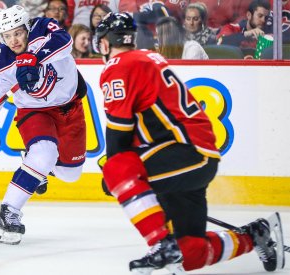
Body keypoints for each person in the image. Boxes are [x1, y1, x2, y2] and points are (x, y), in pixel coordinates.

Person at [93, 12, 282, 274]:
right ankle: (256, 236)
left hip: (185, 152)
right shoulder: (147, 58)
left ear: (104, 43)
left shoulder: (119, 66)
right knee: (190, 253)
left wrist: (118, 178)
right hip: (190, 159)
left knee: (116, 167)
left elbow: (118, 135)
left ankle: (161, 244)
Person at [0, 5, 87, 245]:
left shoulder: (44, 28)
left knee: (71, 175)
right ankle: (9, 212)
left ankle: (38, 166)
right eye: (7, 36)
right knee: (44, 152)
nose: (13, 40)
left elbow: (65, 42)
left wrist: (34, 58)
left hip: (70, 108)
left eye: (17, 33)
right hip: (34, 111)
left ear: (27, 27)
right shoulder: (1, 59)